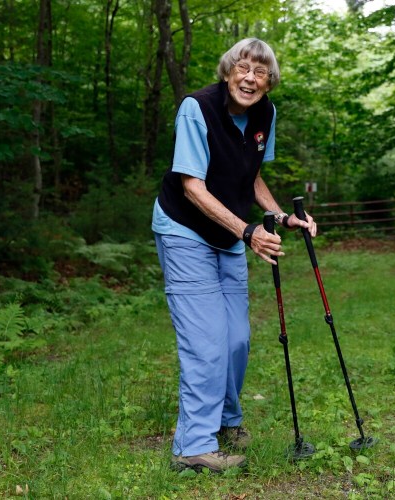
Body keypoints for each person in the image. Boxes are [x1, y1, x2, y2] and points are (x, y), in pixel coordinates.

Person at [151, 38, 317, 473]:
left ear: (268, 81)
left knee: (236, 339)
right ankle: (193, 447)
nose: (250, 78)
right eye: (242, 68)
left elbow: (252, 175)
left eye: (260, 72)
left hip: (230, 235)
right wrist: (248, 231)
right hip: (186, 231)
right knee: (206, 343)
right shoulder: (197, 108)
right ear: (228, 72)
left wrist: (279, 217)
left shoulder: (266, 113)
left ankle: (225, 419)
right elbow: (192, 186)